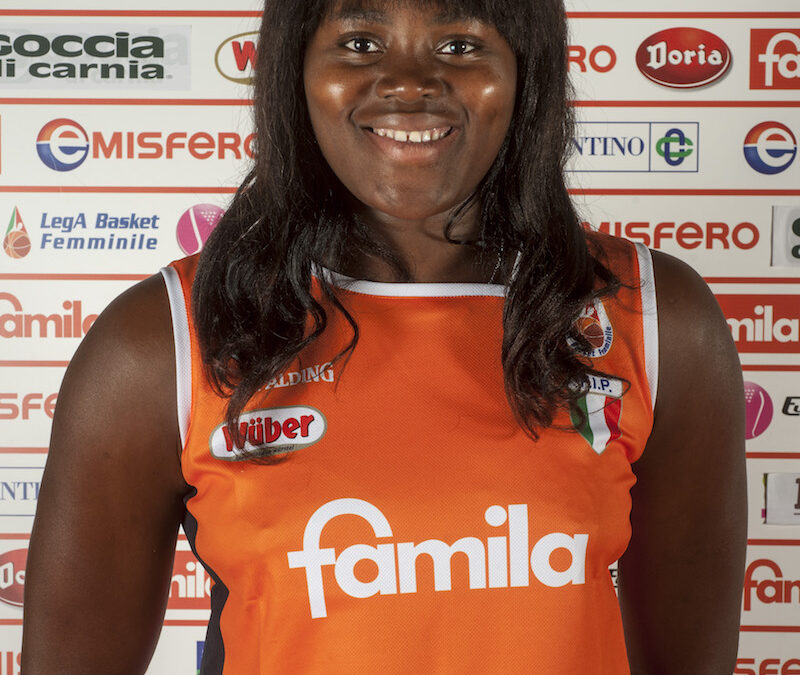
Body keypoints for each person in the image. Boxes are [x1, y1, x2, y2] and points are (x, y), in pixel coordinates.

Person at [22, 0, 747, 672]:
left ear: (527, 71)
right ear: (295, 68)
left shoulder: (654, 318)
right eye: (361, 42)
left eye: (460, 44)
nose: (408, 83)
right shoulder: (165, 340)